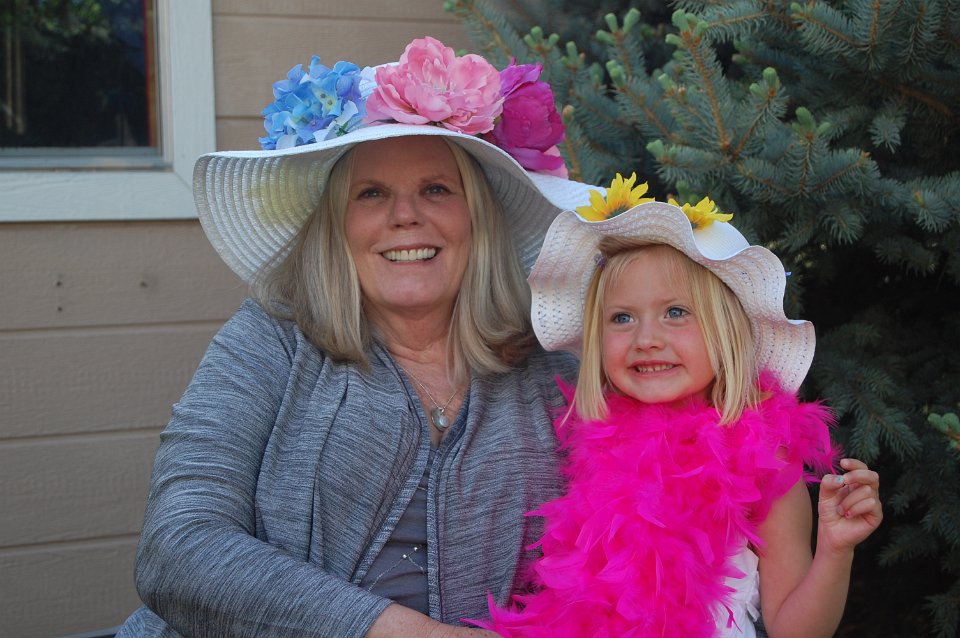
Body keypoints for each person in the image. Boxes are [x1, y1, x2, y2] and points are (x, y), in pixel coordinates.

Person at [115, 36, 598, 637]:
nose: (405, 216)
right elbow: (178, 547)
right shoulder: (270, 341)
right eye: (371, 194)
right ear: (336, 227)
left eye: (436, 189)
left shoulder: (554, 365)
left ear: (478, 217)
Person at [479, 183, 883, 637]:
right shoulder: (589, 447)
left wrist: (835, 550)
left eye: (675, 312)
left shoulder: (766, 462)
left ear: (726, 329)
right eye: (622, 318)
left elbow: (796, 631)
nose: (646, 339)